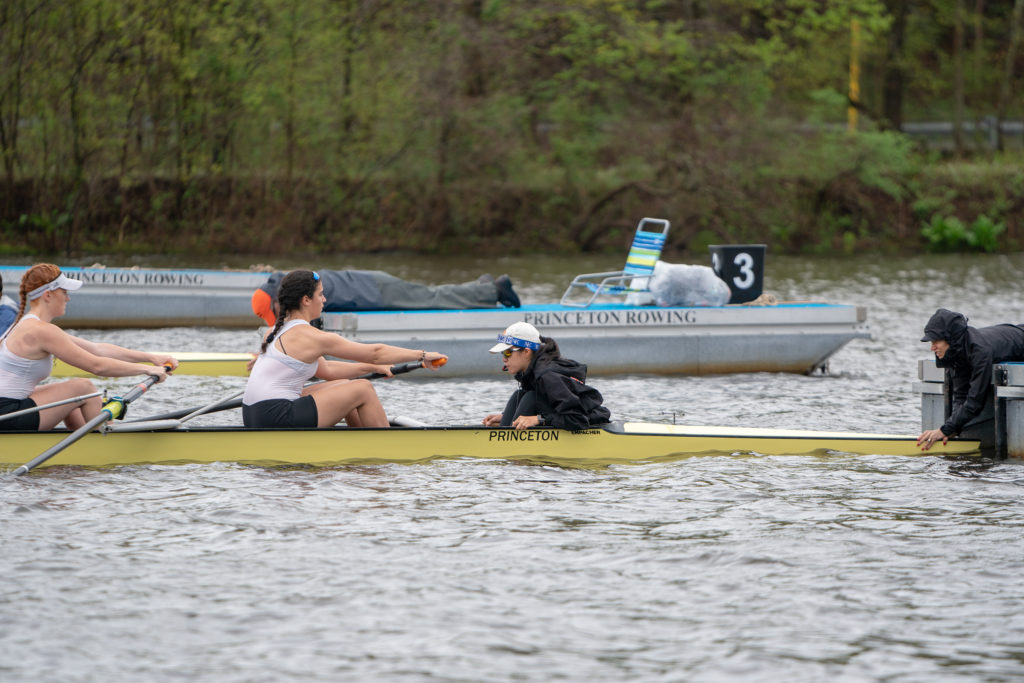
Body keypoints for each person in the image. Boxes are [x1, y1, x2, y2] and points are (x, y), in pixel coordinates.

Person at [243, 269, 448, 428]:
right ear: (306, 300)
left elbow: (328, 371)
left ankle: (358, 441)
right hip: (275, 416)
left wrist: (372, 368)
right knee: (363, 388)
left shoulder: (275, 331)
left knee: (343, 385)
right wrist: (422, 355)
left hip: (253, 414)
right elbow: (375, 353)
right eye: (320, 295)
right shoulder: (311, 336)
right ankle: (384, 446)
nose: (324, 300)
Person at [0, 264, 177, 432]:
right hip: (7, 414)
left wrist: (151, 357)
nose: (68, 298)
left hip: (8, 410)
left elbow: (97, 349)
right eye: (64, 292)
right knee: (83, 388)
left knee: (73, 397)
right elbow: (97, 366)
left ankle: (84, 448)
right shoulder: (41, 331)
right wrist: (146, 370)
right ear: (48, 295)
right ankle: (105, 441)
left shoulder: (29, 325)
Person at [251, 269, 521, 326]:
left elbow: (309, 323)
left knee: (431, 299)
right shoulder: (289, 285)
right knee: (431, 295)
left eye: (276, 313)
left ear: (277, 301)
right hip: (372, 289)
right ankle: (482, 285)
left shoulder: (304, 289)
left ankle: (494, 290)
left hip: (376, 289)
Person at [917, 308, 1024, 450]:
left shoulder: (980, 351)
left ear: (950, 339)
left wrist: (944, 430)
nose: (932, 347)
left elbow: (975, 401)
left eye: (936, 341)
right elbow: (961, 395)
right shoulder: (958, 350)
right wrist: (951, 428)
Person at [482, 321, 611, 431]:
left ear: (526, 352)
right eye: (502, 354)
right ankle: (507, 428)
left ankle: (508, 445)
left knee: (531, 398)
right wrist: (506, 417)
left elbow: (577, 419)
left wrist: (539, 420)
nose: (504, 359)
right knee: (519, 394)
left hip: (588, 420)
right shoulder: (532, 372)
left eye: (508, 352)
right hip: (562, 416)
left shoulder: (548, 376)